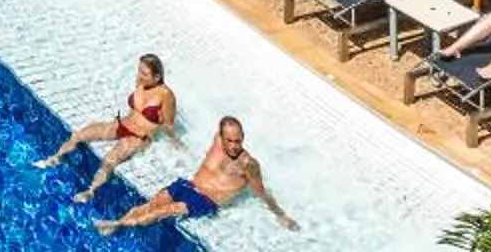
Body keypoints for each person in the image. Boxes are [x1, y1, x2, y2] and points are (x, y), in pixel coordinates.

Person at [92, 117, 296, 233]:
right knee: (152, 204)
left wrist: (281, 215)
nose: (234, 146)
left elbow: (262, 192)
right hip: (187, 185)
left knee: (163, 211)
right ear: (221, 136)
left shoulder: (248, 164)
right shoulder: (217, 141)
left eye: (238, 141)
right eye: (230, 140)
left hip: (206, 201)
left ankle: (116, 225)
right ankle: (120, 222)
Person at [35, 55, 177, 203]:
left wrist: (175, 142)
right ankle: (55, 157)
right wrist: (119, 123)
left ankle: (91, 191)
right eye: (139, 71)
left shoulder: (166, 95)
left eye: (144, 74)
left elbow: (168, 125)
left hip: (138, 136)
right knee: (80, 134)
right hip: (122, 124)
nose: (139, 76)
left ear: (157, 77)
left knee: (110, 160)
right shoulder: (141, 83)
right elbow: (136, 110)